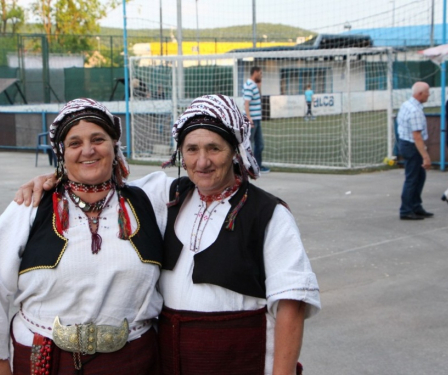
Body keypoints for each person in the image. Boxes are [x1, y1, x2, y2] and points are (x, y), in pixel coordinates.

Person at [16, 95, 320, 375]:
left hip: (240, 360)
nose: (202, 162)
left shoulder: (268, 214)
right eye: (192, 150)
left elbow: (291, 305)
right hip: (170, 363)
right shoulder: (165, 195)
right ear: (180, 154)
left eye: (214, 148)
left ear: (236, 151)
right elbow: (98, 179)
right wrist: (53, 178)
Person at [0, 98, 166, 374]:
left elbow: (207, 178)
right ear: (61, 153)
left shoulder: (149, 198)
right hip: (45, 359)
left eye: (98, 139)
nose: (88, 150)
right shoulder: (31, 205)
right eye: (75, 144)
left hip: (133, 360)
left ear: (115, 145)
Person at [397, 82, 433, 220]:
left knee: (419, 177)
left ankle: (416, 206)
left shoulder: (407, 105)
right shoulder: (415, 111)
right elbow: (417, 136)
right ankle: (406, 210)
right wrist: (426, 156)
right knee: (413, 178)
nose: (429, 95)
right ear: (420, 94)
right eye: (427, 92)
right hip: (412, 146)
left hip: (405, 143)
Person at [243, 66, 270, 173]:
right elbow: (246, 103)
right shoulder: (249, 85)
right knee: (250, 144)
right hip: (252, 119)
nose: (261, 75)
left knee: (259, 144)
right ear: (255, 72)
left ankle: (257, 166)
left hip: (256, 119)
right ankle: (250, 167)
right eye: (260, 73)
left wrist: (259, 86)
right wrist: (249, 118)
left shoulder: (254, 85)